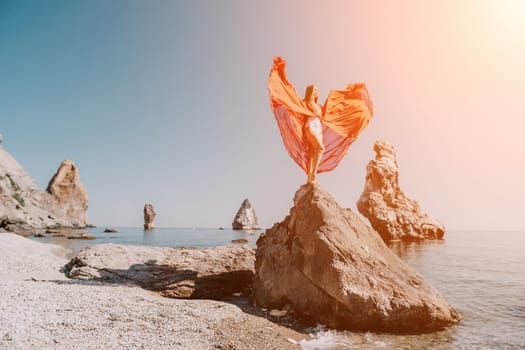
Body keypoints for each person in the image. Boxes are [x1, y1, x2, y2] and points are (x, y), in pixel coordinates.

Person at [268, 56, 373, 184]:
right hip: (310, 126)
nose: (316, 92)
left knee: (313, 153)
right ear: (310, 91)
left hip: (318, 129)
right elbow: (294, 102)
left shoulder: (319, 107)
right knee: (320, 148)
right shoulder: (305, 103)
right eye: (314, 90)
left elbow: (332, 110)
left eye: (317, 90)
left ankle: (309, 179)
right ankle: (313, 176)